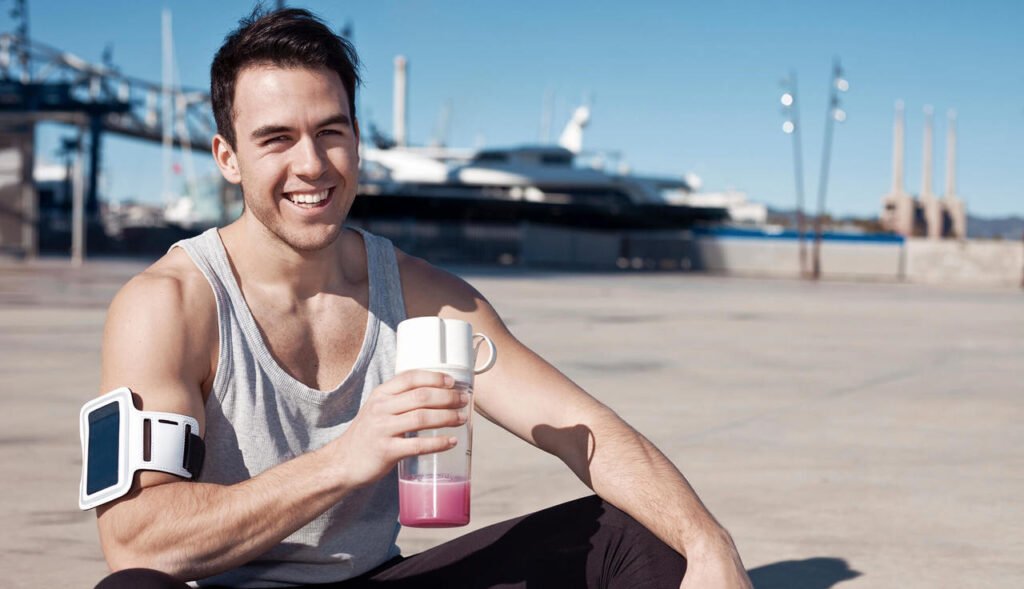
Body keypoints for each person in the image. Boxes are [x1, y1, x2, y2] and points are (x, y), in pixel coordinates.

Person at [91, 8, 751, 589]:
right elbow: (134, 540)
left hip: (379, 576)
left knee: (639, 528)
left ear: (356, 138)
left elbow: (590, 434)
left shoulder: (426, 296)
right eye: (276, 139)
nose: (312, 164)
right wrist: (346, 459)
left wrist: (708, 542)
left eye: (330, 131)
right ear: (227, 156)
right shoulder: (166, 305)